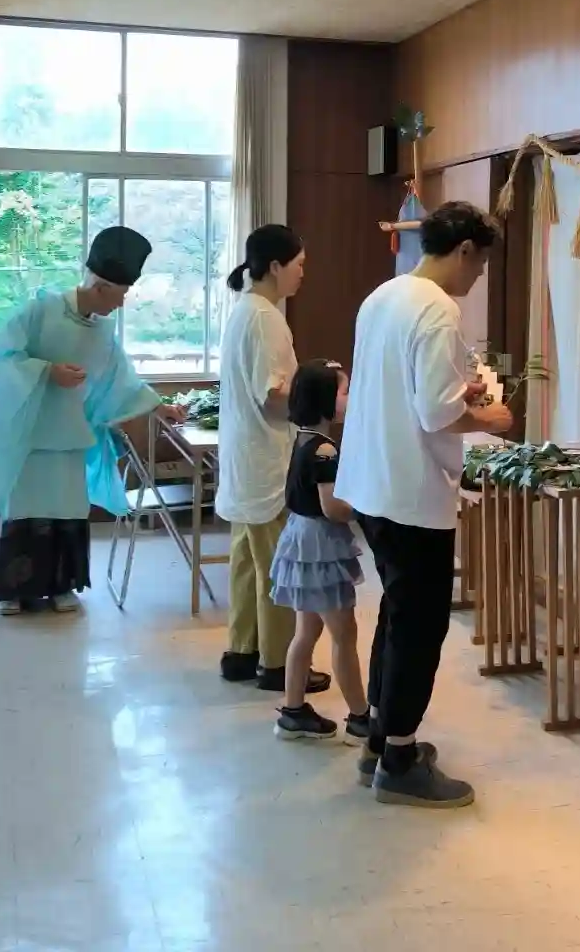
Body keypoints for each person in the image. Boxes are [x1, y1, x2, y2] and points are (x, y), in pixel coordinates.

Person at [335, 201, 513, 808]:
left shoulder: (383, 296)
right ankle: (400, 761)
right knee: (419, 626)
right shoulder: (438, 309)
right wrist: (491, 416)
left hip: (371, 484)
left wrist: (458, 393)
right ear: (464, 250)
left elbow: (406, 389)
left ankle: (380, 739)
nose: (479, 276)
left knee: (397, 612)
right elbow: (438, 412)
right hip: (410, 491)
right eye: (480, 264)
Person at [0, 226, 183, 615]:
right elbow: (0, 363)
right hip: (26, 437)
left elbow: (121, 379)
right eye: (121, 293)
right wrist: (47, 371)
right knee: (20, 507)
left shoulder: (103, 332)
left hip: (69, 436)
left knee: (66, 509)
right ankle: (9, 589)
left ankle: (61, 584)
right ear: (100, 286)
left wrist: (160, 407)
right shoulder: (38, 312)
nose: (122, 303)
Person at [217, 225, 330, 694]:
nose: (303, 274)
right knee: (277, 565)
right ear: (276, 266)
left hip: (244, 457)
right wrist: (321, 402)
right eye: (299, 265)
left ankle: (241, 651)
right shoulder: (265, 318)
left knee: (247, 562)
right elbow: (273, 397)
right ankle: (279, 663)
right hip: (265, 458)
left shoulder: (243, 311)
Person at [270, 360, 369, 743]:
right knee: (344, 634)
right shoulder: (326, 450)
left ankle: (293, 711)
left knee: (306, 632)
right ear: (325, 399)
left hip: (300, 536)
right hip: (319, 544)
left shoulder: (304, 439)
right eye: (345, 391)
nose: (350, 398)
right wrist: (365, 507)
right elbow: (333, 508)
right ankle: (360, 717)